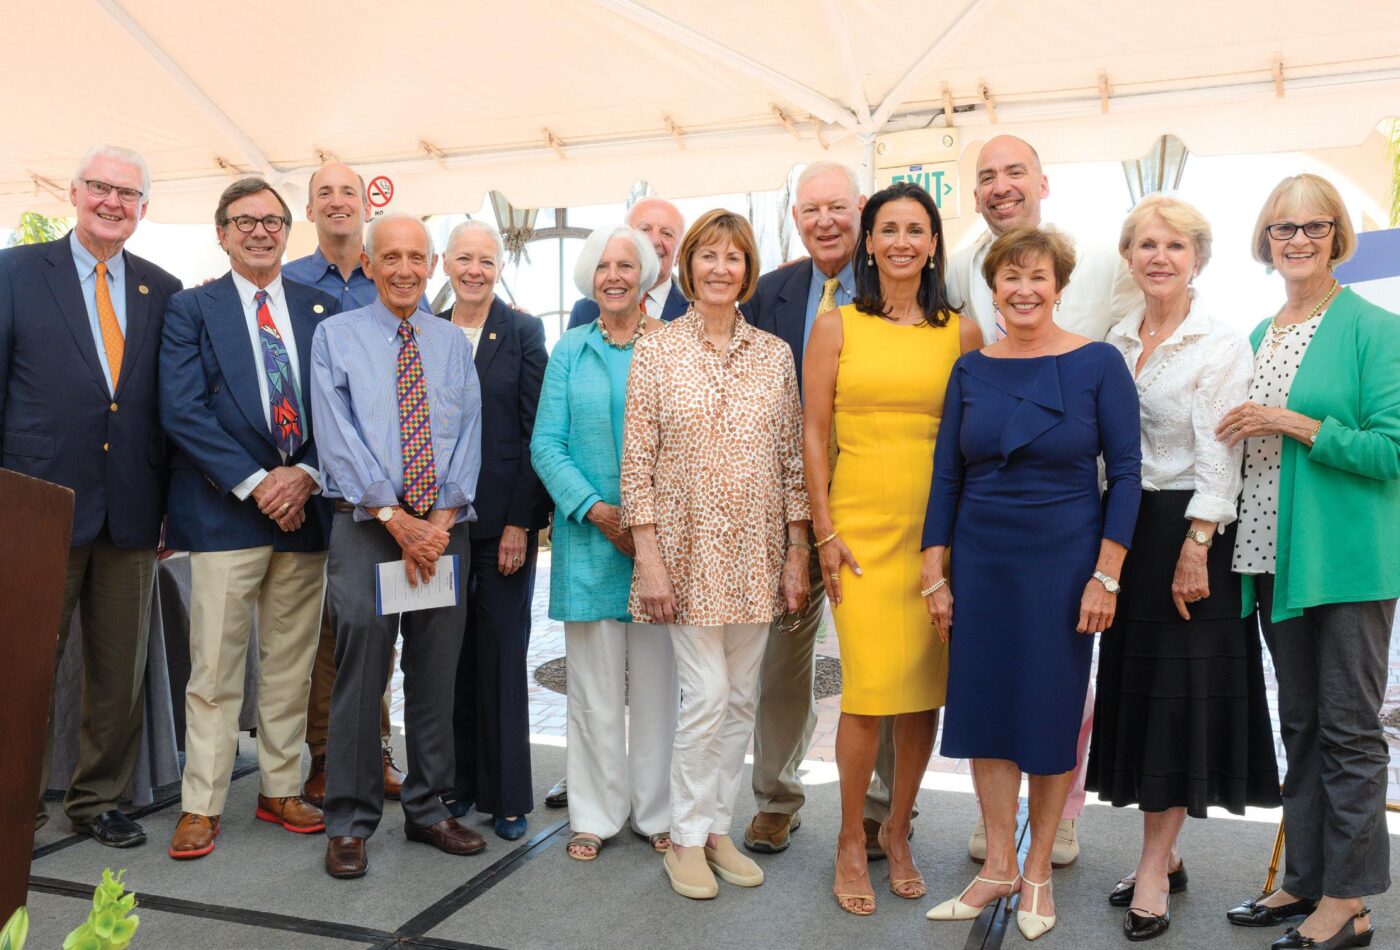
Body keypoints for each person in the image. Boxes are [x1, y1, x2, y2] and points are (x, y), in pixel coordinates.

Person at [922, 226, 1141, 941]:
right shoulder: (969, 369)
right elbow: (946, 476)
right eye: (1010, 278)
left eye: (1037, 277)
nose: (1023, 290)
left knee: (1050, 710)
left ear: (1059, 286)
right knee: (984, 707)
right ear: (992, 289)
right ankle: (997, 866)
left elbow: (1127, 475)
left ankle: (1038, 867)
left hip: (1064, 561)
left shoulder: (1099, 363)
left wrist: (1106, 574)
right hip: (983, 558)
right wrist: (934, 570)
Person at [1087, 194, 1280, 940]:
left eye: (1174, 245)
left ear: (1198, 258)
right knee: (1140, 697)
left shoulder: (1220, 343)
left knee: (1175, 702)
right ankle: (1164, 858)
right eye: (1146, 245)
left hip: (1192, 530)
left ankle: (1150, 871)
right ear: (1128, 257)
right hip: (1126, 530)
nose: (1159, 257)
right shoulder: (1114, 338)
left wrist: (1197, 544)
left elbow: (1222, 452)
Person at [1218, 174, 1400, 950]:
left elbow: (1391, 449)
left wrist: (1295, 422)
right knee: (1300, 724)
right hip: (1272, 559)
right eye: (1283, 228)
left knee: (1350, 731)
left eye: (1314, 227)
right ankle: (1306, 877)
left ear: (1337, 237)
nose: (1297, 240)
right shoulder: (1260, 333)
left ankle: (1349, 901)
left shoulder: (1375, 328)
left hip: (1347, 561)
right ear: (1265, 240)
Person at [802, 181, 981, 916]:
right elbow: (813, 435)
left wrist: (959, 542)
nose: (902, 241)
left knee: (921, 693)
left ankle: (897, 829)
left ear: (934, 244)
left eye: (916, 229)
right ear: (868, 244)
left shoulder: (962, 333)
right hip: (859, 536)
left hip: (935, 538)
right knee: (869, 692)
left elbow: (971, 442)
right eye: (888, 230)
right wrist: (824, 532)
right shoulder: (835, 326)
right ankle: (850, 838)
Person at [619, 210, 810, 901]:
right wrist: (649, 558)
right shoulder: (657, 349)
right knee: (704, 698)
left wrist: (796, 551)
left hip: (757, 551)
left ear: (748, 269)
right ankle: (684, 838)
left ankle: (716, 829)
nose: (720, 268)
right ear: (688, 267)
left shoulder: (774, 355)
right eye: (708, 256)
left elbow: (792, 460)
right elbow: (636, 463)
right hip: (686, 553)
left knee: (739, 700)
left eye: (733, 257)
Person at [0, 145, 182, 848]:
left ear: (144, 208)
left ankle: (98, 799)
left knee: (118, 672)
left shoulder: (163, 289)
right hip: (35, 508)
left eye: (127, 193)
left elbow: (166, 407)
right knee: (23, 667)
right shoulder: (15, 273)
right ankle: (14, 802)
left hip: (133, 509)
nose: (113, 202)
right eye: (100, 187)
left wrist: (169, 508)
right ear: (73, 193)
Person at [159, 177, 340, 859]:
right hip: (223, 512)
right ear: (222, 233)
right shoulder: (190, 309)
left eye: (272, 221)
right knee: (214, 671)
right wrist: (260, 483)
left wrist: (307, 474)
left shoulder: (322, 309)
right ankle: (201, 804)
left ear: (288, 231)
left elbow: (342, 405)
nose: (259, 232)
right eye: (245, 221)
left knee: (291, 663)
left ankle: (280, 789)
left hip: (305, 512)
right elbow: (182, 409)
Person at [310, 213, 483, 878]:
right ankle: (349, 821)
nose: (405, 270)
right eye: (391, 257)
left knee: (436, 671)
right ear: (370, 264)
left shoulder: (451, 342)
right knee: (361, 673)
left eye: (416, 257)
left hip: (443, 529)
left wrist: (436, 522)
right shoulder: (336, 336)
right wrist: (395, 518)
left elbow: (468, 433)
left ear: (431, 265)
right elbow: (337, 436)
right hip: (367, 526)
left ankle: (429, 808)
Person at [741, 161, 905, 860]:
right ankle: (776, 799)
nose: (825, 221)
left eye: (837, 207)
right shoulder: (767, 295)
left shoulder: (900, 290)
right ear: (796, 220)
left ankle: (879, 810)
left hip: (875, 507)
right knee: (781, 664)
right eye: (811, 210)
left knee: (880, 665)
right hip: (787, 514)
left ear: (861, 209)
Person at [529, 224, 675, 861]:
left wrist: (644, 523)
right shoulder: (570, 350)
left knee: (659, 686)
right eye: (603, 267)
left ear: (645, 276)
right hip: (589, 538)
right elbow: (546, 444)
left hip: (660, 545)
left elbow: (688, 445)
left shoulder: (674, 346)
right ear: (590, 277)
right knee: (591, 691)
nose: (614, 277)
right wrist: (598, 511)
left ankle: (658, 812)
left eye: (626, 265)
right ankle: (594, 815)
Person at [284, 161, 405, 804]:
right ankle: (326, 754)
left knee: (372, 624)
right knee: (321, 632)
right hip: (302, 486)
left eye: (348, 192)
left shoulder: (390, 279)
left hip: (377, 493)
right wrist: (304, 469)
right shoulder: (287, 283)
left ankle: (375, 748)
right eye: (324, 193)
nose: (338, 202)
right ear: (309, 210)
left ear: (367, 205)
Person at [436, 220, 551, 841]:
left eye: (486, 259)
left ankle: (507, 797)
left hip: (503, 521)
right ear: (445, 264)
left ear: (500, 267)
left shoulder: (524, 332)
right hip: (438, 525)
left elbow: (538, 431)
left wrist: (521, 522)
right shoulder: (425, 329)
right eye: (464, 258)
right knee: (447, 656)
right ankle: (455, 784)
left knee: (503, 654)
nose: (474, 270)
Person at [565, 198, 688, 327]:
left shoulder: (696, 310)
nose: (654, 241)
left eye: (667, 233)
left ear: (679, 253)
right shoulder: (584, 311)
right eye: (644, 230)